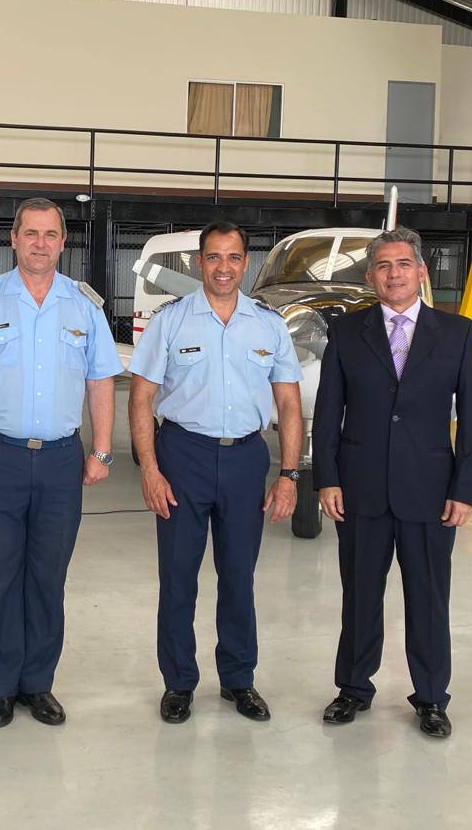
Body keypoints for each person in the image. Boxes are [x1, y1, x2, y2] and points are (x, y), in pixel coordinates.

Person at [0, 197, 122, 728]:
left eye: (51, 234)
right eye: (31, 233)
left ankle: (38, 683)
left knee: (48, 576)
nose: (41, 243)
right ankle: (0, 686)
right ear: (13, 240)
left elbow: (100, 381)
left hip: (63, 461)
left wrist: (102, 449)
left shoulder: (84, 306)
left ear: (63, 242)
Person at [312, 227, 472, 739]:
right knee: (360, 595)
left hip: (432, 493)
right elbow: (328, 414)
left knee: (429, 599)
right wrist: (327, 478)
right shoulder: (347, 332)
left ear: (421, 272)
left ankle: (431, 697)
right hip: (361, 488)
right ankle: (353, 688)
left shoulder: (457, 333)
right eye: (384, 266)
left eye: (403, 264)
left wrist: (464, 488)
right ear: (371, 276)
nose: (394, 274)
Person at [128, 221, 303, 724]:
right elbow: (141, 399)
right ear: (199, 263)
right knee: (178, 578)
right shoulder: (171, 322)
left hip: (247, 458)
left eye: (232, 258)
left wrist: (288, 474)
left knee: (239, 577)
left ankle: (238, 680)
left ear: (245, 263)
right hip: (183, 456)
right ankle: (179, 682)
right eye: (213, 257)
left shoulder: (269, 325)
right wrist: (151, 470)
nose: (223, 268)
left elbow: (289, 404)